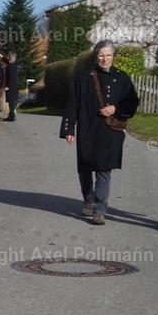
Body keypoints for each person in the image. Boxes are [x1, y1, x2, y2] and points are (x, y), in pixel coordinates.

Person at [59, 41, 139, 225]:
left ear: (113, 56)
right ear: (95, 56)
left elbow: (132, 101)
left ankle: (99, 209)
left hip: (110, 130)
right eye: (101, 55)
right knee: (85, 168)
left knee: (104, 168)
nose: (105, 59)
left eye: (108, 55)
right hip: (87, 127)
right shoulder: (84, 77)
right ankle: (88, 200)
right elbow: (73, 103)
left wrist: (115, 108)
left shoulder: (121, 77)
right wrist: (69, 129)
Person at [3, 51, 19, 122]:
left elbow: (11, 78)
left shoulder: (10, 67)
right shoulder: (14, 65)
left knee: (11, 102)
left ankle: (12, 116)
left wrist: (7, 86)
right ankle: (11, 115)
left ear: (9, 57)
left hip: (11, 86)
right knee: (11, 102)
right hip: (14, 86)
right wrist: (2, 57)